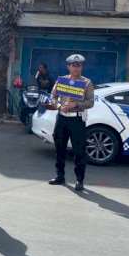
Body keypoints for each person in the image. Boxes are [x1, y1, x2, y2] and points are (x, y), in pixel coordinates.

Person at [48, 54, 95, 191]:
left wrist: (75, 105)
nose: (76, 68)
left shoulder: (86, 83)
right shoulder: (62, 81)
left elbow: (90, 102)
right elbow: (53, 97)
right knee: (59, 148)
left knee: (79, 151)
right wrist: (58, 106)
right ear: (68, 66)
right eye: (74, 65)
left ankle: (79, 180)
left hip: (77, 119)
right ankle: (60, 176)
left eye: (79, 65)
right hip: (62, 117)